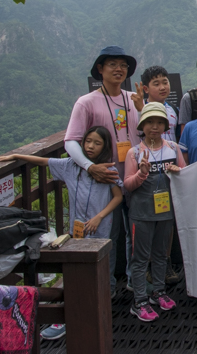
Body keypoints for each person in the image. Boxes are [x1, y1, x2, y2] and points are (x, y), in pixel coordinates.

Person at [0, 126, 124, 340]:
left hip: (100, 228)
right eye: (88, 141)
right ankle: (77, 313)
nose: (91, 146)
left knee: (102, 269)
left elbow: (117, 196)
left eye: (97, 143)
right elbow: (45, 162)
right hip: (78, 232)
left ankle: (98, 307)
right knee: (77, 269)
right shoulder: (71, 166)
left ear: (105, 147)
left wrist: (99, 216)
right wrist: (16, 155)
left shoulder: (107, 169)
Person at [64, 45, 140, 313]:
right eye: (112, 64)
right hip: (103, 181)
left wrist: (143, 108)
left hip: (134, 176)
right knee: (107, 234)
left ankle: (135, 281)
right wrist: (88, 167)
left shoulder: (134, 99)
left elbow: (150, 131)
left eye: (123, 65)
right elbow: (70, 141)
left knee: (137, 231)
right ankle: (104, 287)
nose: (119, 69)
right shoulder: (86, 102)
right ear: (100, 69)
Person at [124, 103, 185, 322]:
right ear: (143, 125)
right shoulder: (135, 152)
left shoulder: (173, 148)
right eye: (150, 122)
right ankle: (140, 300)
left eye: (159, 122)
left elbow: (184, 175)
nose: (155, 127)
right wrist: (141, 173)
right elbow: (128, 185)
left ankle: (158, 291)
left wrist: (177, 172)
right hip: (141, 214)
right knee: (140, 258)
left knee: (161, 254)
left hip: (166, 212)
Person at [132, 66, 179, 142]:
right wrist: (141, 110)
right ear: (146, 89)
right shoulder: (139, 108)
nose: (162, 88)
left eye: (165, 83)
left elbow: (178, 136)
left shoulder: (174, 109)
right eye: (156, 84)